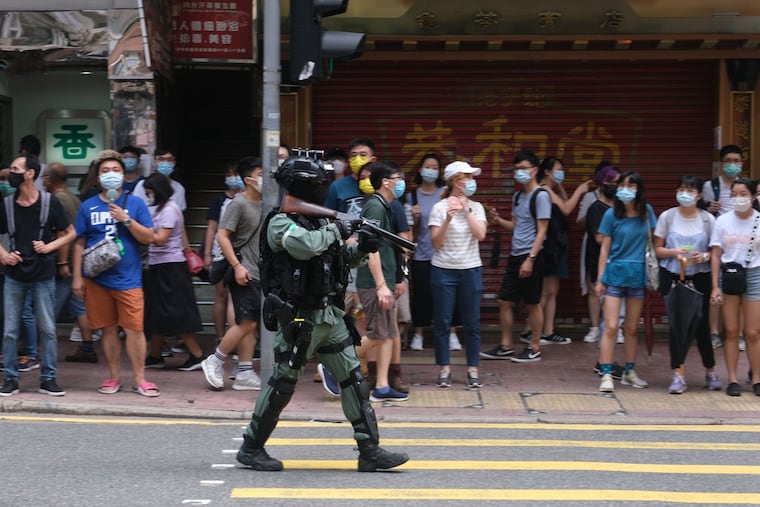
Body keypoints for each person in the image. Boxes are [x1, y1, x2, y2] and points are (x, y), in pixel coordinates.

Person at [235, 153, 408, 472]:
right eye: (318, 184)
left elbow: (341, 257)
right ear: (303, 186)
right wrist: (340, 228)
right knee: (282, 384)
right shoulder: (280, 221)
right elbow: (306, 246)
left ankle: (369, 450)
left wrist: (364, 246)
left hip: (330, 316)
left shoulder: (321, 219)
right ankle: (251, 447)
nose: (323, 189)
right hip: (300, 318)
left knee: (355, 381)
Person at [71, 150, 159, 397]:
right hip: (96, 279)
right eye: (105, 171)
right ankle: (113, 377)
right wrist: (77, 277)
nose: (111, 175)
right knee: (107, 328)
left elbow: (149, 238)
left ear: (124, 175)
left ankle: (140, 379)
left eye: (115, 171)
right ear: (98, 178)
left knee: (134, 329)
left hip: (128, 278)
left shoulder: (136, 203)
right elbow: (79, 242)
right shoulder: (87, 206)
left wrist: (126, 220)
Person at [0, 155, 76, 397]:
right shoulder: (7, 204)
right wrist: (3, 255)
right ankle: (10, 379)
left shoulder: (49, 203)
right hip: (14, 275)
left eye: (15, 169)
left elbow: (71, 233)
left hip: (43, 274)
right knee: (10, 330)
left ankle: (48, 378)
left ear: (30, 173)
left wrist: (50, 247)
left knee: (48, 328)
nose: (9, 173)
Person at [200, 157, 264, 391]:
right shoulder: (238, 203)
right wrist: (237, 266)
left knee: (251, 323)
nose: (265, 177)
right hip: (243, 271)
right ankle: (215, 359)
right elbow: (222, 235)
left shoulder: (265, 202)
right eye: (261, 173)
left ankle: (245, 371)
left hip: (258, 272)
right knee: (245, 323)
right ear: (248, 180)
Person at [480, 150, 549, 363]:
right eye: (517, 169)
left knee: (532, 303)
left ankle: (535, 346)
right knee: (504, 300)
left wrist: (531, 258)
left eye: (524, 168)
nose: (520, 172)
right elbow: (516, 226)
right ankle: (506, 345)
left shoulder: (541, 195)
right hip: (515, 254)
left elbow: (542, 230)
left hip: (531, 256)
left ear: (535, 170)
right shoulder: (518, 196)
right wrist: (498, 220)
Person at [654, 175, 721, 394]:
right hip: (673, 276)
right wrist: (676, 253)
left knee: (701, 326)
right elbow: (658, 249)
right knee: (677, 326)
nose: (685, 194)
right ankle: (678, 374)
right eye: (682, 189)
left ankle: (710, 371)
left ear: (699, 195)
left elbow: (716, 250)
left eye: (691, 190)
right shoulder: (668, 217)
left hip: (699, 277)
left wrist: (705, 256)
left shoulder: (707, 220)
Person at [595, 171, 656, 393]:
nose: (625, 190)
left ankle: (630, 372)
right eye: (622, 186)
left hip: (637, 275)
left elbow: (653, 244)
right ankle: (607, 373)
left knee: (631, 328)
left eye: (631, 186)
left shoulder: (647, 212)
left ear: (639, 190)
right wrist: (600, 279)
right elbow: (604, 249)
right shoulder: (611, 215)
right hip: (615, 274)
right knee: (611, 326)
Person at [353, 161, 409, 401]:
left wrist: (394, 278)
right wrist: (381, 285)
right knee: (378, 334)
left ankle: (383, 386)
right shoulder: (375, 207)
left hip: (384, 278)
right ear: (386, 182)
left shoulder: (386, 206)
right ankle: (333, 364)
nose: (401, 183)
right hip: (374, 282)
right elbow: (370, 249)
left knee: (386, 334)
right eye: (398, 178)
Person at [428, 160, 487, 387]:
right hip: (443, 270)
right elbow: (436, 242)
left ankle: (472, 369)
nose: (472, 181)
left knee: (472, 322)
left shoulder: (477, 206)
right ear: (455, 181)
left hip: (470, 268)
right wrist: (449, 218)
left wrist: (465, 210)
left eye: (472, 177)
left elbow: (481, 234)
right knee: (442, 321)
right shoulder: (439, 208)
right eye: (468, 177)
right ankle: (444, 369)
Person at [142, 174, 205, 371]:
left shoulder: (169, 210)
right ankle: (154, 355)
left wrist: (132, 226)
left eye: (149, 192)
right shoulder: (159, 209)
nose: (147, 195)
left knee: (177, 313)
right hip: (159, 266)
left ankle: (197, 355)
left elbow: (160, 239)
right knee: (156, 312)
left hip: (171, 268)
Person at [41, 162, 98, 363]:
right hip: (78, 260)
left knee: (50, 307)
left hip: (67, 261)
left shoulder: (58, 200)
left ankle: (39, 351)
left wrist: (62, 263)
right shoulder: (73, 196)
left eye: (43, 179)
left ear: (48, 180)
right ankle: (87, 347)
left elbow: (63, 231)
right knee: (78, 305)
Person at [530, 157, 590, 345]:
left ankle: (548, 330)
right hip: (549, 247)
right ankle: (534, 331)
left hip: (557, 245)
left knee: (552, 290)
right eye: (558, 169)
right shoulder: (544, 190)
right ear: (547, 172)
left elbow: (563, 202)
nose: (561, 172)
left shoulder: (552, 189)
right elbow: (566, 208)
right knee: (545, 291)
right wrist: (579, 190)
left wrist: (560, 186)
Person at [405, 154, 461, 352]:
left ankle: (452, 333)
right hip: (421, 255)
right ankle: (419, 334)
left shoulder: (445, 194)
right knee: (422, 296)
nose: (430, 170)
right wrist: (415, 217)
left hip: (445, 254)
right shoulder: (412, 197)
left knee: (448, 295)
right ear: (420, 170)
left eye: (434, 167)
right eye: (427, 166)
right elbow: (410, 230)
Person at [709, 177, 760, 397]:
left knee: (753, 332)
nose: (739, 199)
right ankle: (732, 378)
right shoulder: (722, 221)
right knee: (730, 331)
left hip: (754, 274)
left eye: (744, 194)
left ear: (754, 196)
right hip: (729, 275)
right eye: (735, 194)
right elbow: (715, 254)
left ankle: (757, 378)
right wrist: (714, 286)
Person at [701, 145, 744, 351]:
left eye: (736, 161)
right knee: (715, 287)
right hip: (718, 242)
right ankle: (714, 333)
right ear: (721, 164)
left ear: (742, 164)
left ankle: (740, 334)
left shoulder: (746, 185)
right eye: (728, 161)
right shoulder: (710, 186)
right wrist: (707, 207)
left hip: (741, 242)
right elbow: (699, 206)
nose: (732, 165)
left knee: (742, 288)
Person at [203, 161, 243, 344]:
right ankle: (220, 336)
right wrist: (207, 253)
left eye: (236, 173)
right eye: (229, 174)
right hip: (220, 252)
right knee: (221, 294)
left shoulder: (249, 199)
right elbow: (212, 228)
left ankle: (237, 337)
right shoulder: (219, 200)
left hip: (243, 252)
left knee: (238, 298)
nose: (233, 177)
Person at [324, 138, 376, 217]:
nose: (357, 159)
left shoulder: (381, 183)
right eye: (354, 155)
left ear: (373, 160)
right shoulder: (337, 186)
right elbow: (328, 215)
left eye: (363, 155)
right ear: (349, 160)